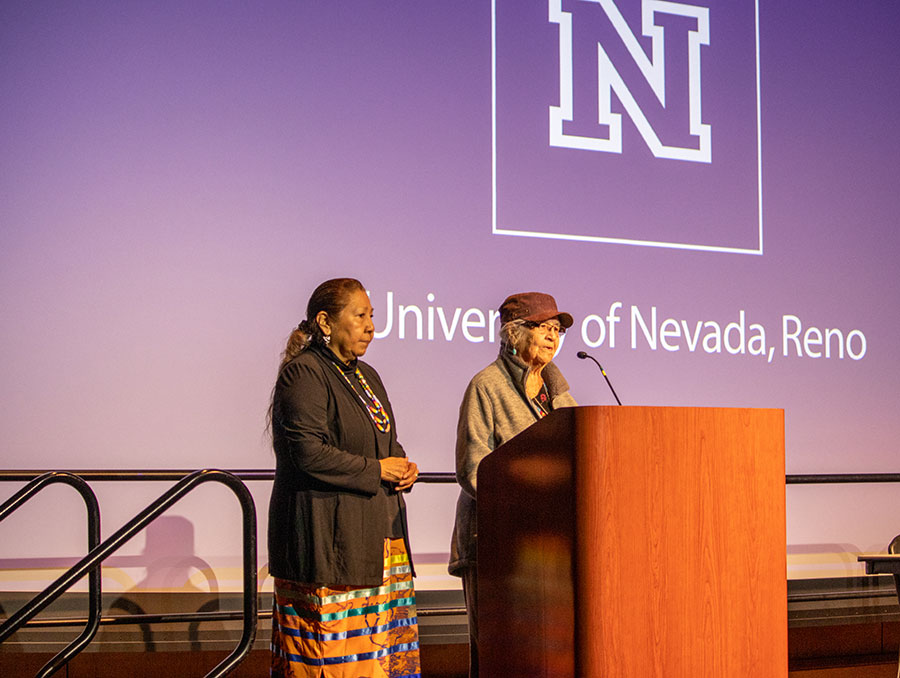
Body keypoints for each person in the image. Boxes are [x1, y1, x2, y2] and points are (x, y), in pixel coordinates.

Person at [267, 278, 420, 678]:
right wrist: (376, 470)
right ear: (325, 321)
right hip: (329, 546)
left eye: (372, 316)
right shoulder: (304, 374)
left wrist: (402, 465)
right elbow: (307, 453)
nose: (371, 326)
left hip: (378, 539)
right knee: (328, 662)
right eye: (361, 315)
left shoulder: (367, 375)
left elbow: (385, 441)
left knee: (382, 662)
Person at [448, 291, 577, 677]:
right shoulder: (486, 386)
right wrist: (526, 494)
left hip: (549, 548)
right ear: (515, 333)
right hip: (494, 543)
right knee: (497, 657)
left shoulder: (560, 395)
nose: (553, 336)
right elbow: (473, 467)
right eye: (544, 328)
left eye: (557, 329)